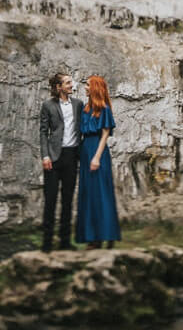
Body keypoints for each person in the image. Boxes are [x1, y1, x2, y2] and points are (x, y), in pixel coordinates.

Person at [75, 75, 121, 249]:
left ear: (94, 87)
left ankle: (105, 234)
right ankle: (92, 236)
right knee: (88, 195)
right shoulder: (86, 108)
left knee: (101, 193)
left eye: (87, 85)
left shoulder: (104, 109)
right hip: (86, 149)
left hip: (97, 151)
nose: (85, 87)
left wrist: (96, 157)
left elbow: (105, 135)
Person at [39, 72, 82, 252]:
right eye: (67, 82)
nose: (71, 85)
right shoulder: (48, 105)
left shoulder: (78, 104)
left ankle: (65, 242)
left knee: (67, 200)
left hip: (72, 156)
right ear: (58, 87)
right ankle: (47, 243)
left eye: (71, 82)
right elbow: (43, 132)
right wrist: (45, 156)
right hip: (53, 157)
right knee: (50, 200)